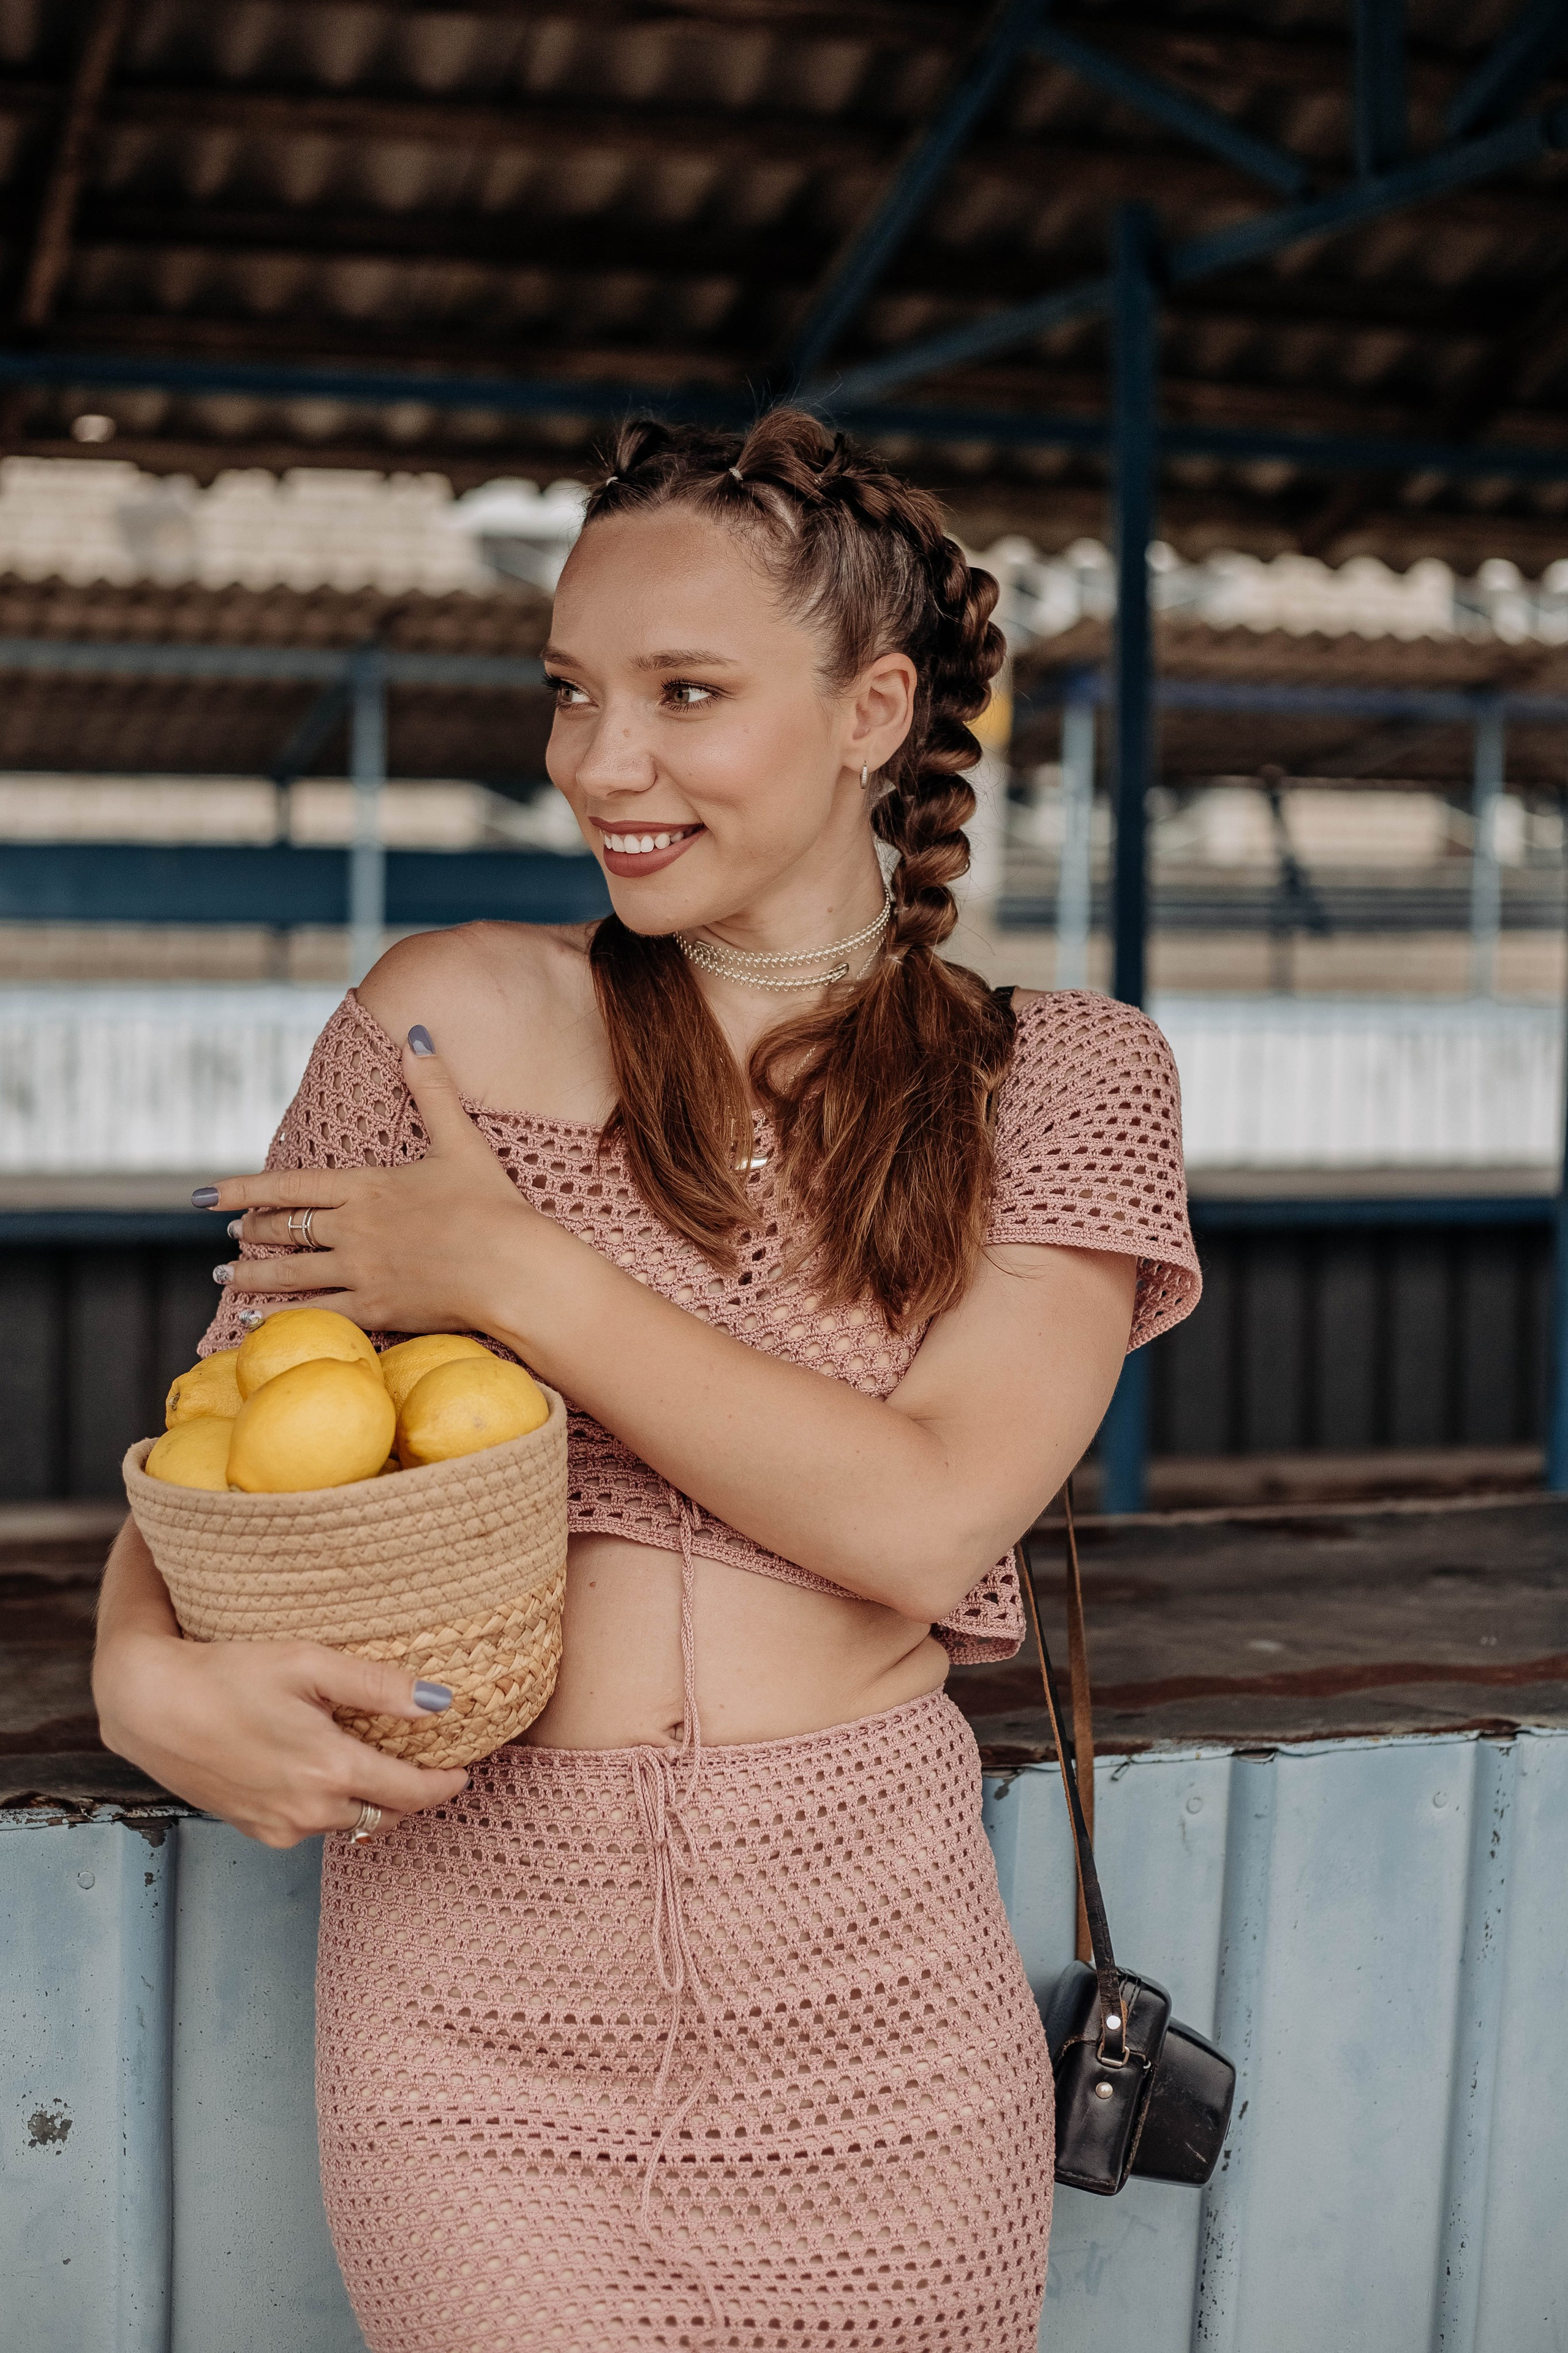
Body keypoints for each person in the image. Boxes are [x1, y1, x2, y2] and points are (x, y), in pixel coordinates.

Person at [93, 409, 1200, 2351]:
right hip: (472, 2034)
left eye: (685, 691)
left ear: (872, 708)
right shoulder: (443, 1018)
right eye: (573, 692)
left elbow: (930, 1507)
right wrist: (137, 1667)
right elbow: (233, 1453)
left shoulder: (1072, 1080)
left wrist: (515, 1269)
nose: (601, 763)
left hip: (879, 2022)